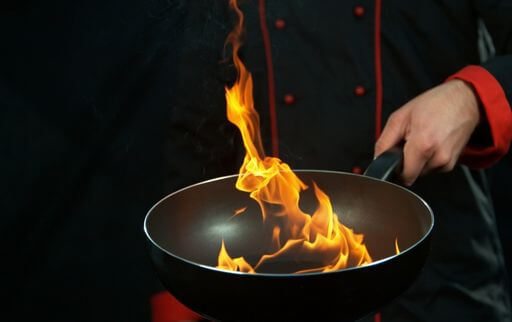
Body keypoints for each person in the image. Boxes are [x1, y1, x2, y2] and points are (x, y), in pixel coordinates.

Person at [2, 1, 511, 321]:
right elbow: (198, 127)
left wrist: (471, 95)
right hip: (269, 292)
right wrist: (177, 308)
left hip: (436, 280)